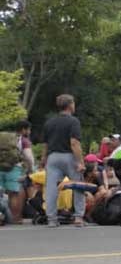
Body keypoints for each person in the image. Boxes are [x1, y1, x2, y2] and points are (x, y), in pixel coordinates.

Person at [41, 94, 86, 227]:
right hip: (69, 157)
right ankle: (78, 217)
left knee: (51, 188)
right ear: (70, 105)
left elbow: (45, 144)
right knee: (78, 186)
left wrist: (43, 159)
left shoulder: (49, 122)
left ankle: (52, 219)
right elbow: (74, 143)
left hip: (53, 157)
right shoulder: (73, 121)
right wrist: (80, 162)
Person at [0, 121, 32, 225]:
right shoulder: (23, 140)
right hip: (14, 168)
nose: (29, 132)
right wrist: (30, 169)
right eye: (28, 129)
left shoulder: (3, 138)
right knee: (13, 194)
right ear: (23, 129)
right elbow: (29, 157)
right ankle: (15, 218)